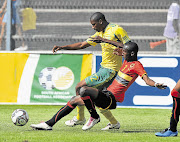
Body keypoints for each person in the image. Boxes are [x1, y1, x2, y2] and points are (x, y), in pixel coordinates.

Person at [30, 41, 167, 131]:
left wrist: (155, 84)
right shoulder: (126, 60)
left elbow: (146, 79)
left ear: (131, 53)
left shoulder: (136, 65)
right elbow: (121, 49)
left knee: (84, 90)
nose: (121, 52)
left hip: (111, 99)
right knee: (73, 100)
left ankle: (94, 117)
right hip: (106, 94)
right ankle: (48, 124)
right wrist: (115, 48)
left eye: (124, 52)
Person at [52, 12, 131, 130]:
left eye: (94, 24)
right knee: (96, 98)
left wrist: (104, 40)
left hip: (111, 70)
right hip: (103, 68)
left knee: (80, 87)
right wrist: (63, 47)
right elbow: (81, 45)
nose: (93, 27)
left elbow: (129, 46)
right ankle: (114, 123)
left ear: (100, 21)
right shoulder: (99, 34)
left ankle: (81, 118)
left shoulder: (117, 29)